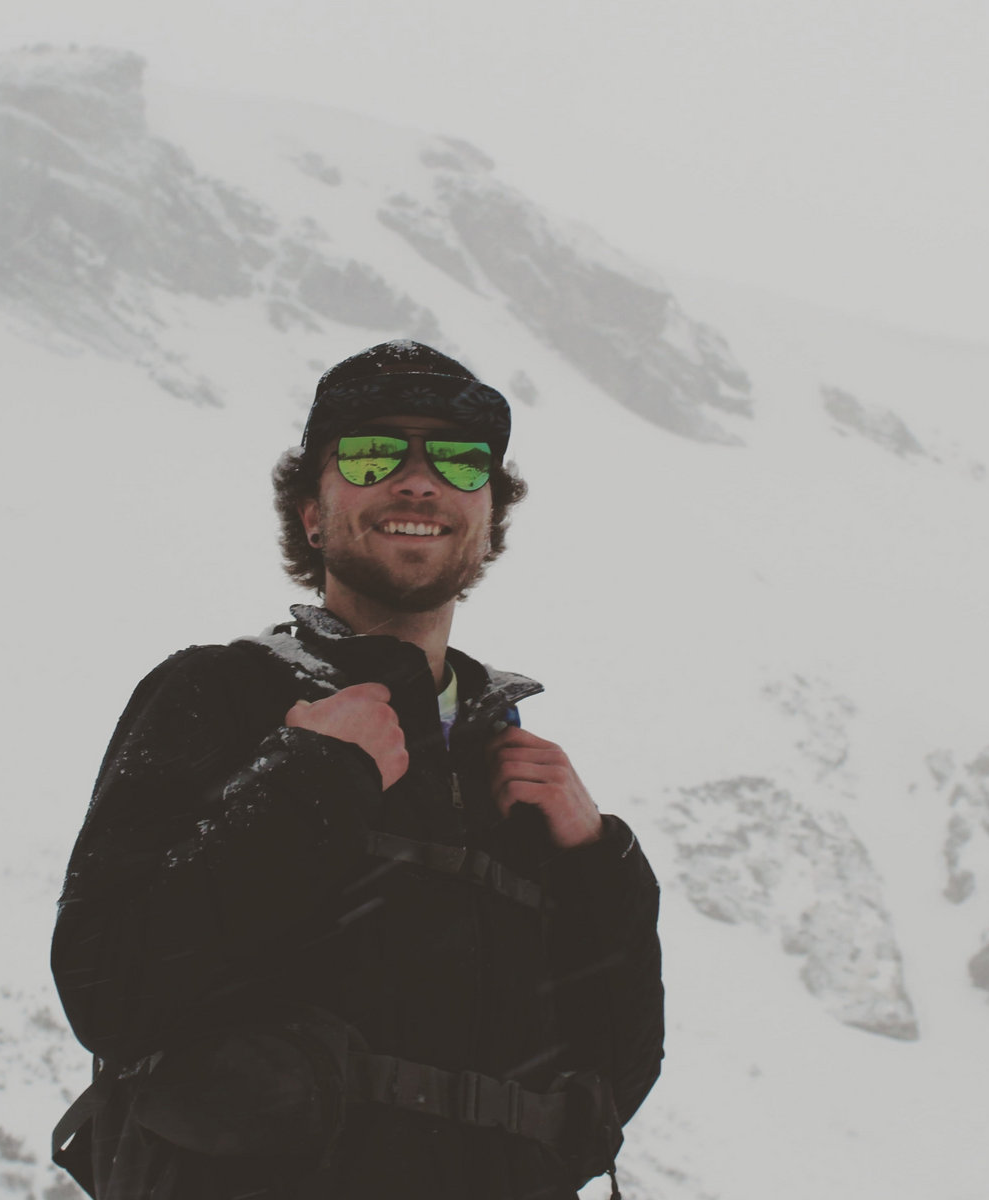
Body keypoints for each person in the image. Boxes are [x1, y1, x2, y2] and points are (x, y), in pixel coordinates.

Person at [51, 340, 664, 1200]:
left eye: (460, 460)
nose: (418, 483)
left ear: (490, 517)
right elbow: (109, 990)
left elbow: (613, 1082)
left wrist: (602, 863)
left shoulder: (513, 772)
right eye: (374, 454)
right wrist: (309, 779)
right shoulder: (219, 695)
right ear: (312, 514)